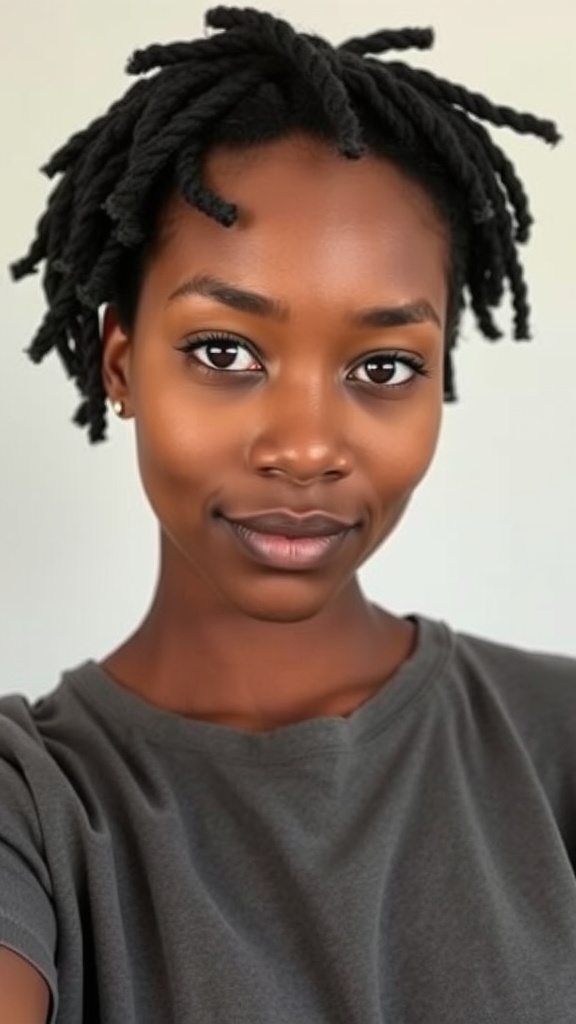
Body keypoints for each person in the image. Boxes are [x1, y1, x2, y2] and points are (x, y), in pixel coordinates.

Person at [1, 6, 574, 1022]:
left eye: (384, 365)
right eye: (226, 352)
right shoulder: (33, 806)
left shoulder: (557, 742)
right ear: (120, 363)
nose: (307, 447)